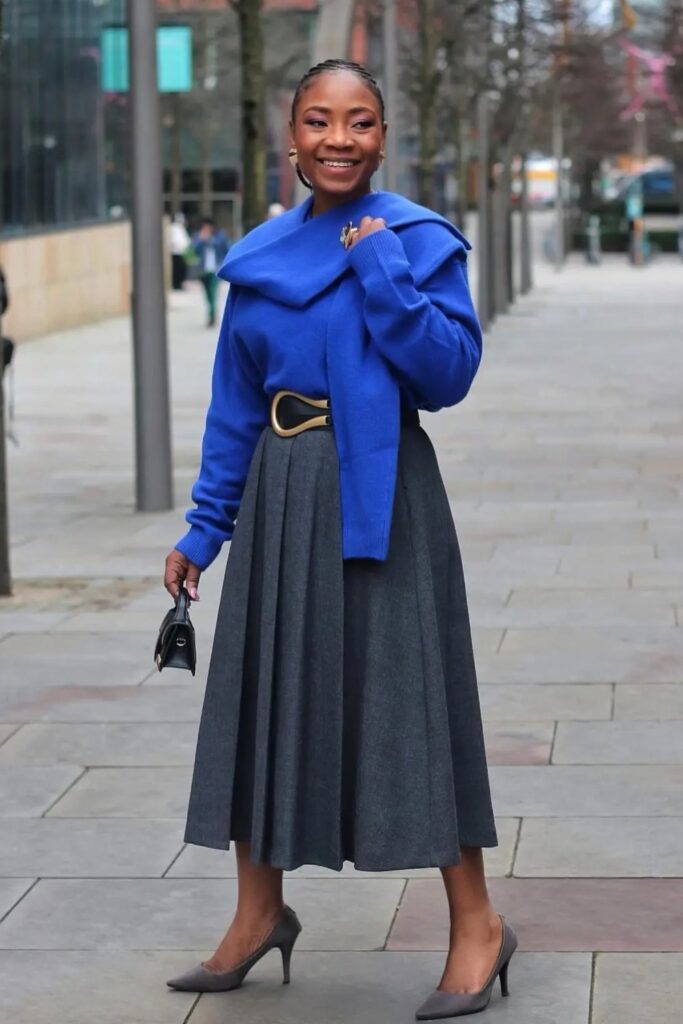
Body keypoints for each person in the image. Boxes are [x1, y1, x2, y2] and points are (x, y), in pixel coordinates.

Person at [164, 59, 516, 1020]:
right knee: (264, 701)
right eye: (318, 121)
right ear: (292, 134)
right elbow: (234, 405)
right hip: (280, 498)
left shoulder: (415, 241)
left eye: (358, 123)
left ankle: (477, 924)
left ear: (382, 136)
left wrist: (378, 264)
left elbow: (445, 375)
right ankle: (256, 914)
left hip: (384, 495)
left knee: (412, 704)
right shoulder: (260, 255)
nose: (337, 139)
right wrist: (205, 528)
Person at [192, 217, 229, 326]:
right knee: (207, 295)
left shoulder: (220, 238)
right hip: (203, 271)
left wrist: (210, 240)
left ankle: (212, 316)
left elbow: (226, 249)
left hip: (214, 271)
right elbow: (194, 251)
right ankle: (211, 313)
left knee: (213, 293)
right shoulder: (198, 237)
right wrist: (201, 240)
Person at [169, 212, 191, 291]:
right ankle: (176, 284)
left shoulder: (182, 228)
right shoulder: (174, 228)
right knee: (177, 270)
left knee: (182, 270)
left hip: (183, 253)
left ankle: (180, 284)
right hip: (176, 253)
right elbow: (175, 241)